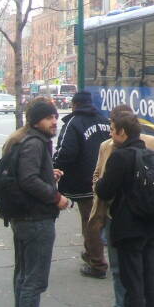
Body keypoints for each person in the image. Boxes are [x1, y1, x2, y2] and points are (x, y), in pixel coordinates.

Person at [87, 105, 154, 307]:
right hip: (114, 216)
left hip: (132, 221)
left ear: (122, 131)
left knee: (136, 278)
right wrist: (98, 183)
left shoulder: (150, 144)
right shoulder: (106, 146)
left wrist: (141, 191)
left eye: (112, 127)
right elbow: (98, 174)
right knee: (119, 270)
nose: (109, 132)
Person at [5, 97, 70, 307]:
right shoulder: (34, 143)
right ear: (36, 121)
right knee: (34, 280)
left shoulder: (27, 140)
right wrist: (57, 198)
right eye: (49, 117)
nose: (54, 121)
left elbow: (29, 176)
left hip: (25, 219)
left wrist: (48, 174)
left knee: (23, 277)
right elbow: (28, 179)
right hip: (36, 220)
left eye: (55, 116)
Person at [53, 90, 111, 278]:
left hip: (83, 181)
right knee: (101, 219)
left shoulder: (74, 122)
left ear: (74, 105)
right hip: (105, 179)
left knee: (90, 221)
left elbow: (66, 152)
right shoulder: (104, 121)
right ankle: (92, 254)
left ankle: (97, 264)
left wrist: (55, 166)